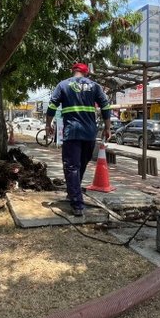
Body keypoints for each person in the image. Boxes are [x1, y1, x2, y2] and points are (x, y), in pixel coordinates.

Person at [46, 63, 112, 217]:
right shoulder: (94, 86)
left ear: (73, 72)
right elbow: (106, 106)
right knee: (80, 164)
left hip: (72, 132)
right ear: (86, 73)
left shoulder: (63, 85)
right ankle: (73, 193)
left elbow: (52, 106)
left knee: (72, 166)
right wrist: (108, 128)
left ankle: (77, 203)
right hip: (89, 134)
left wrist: (48, 124)